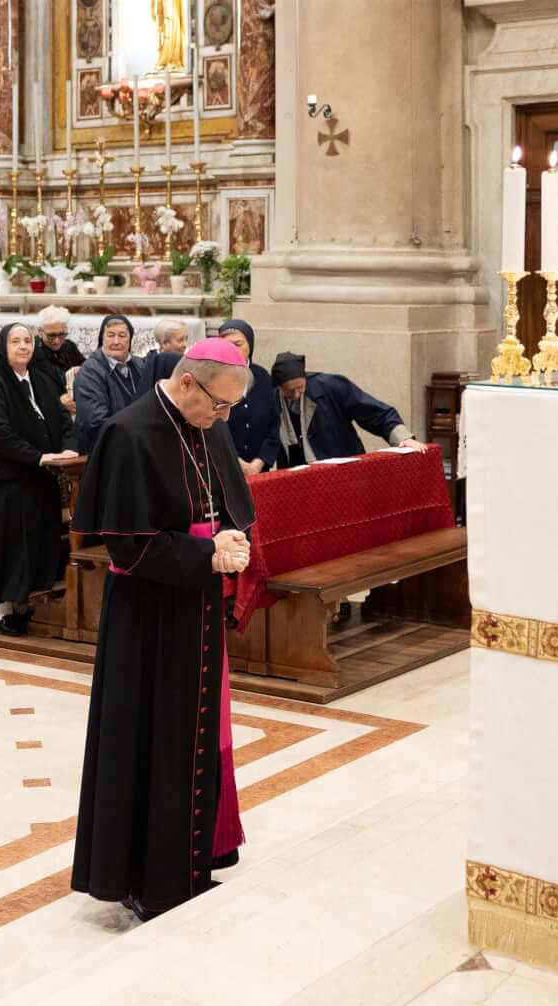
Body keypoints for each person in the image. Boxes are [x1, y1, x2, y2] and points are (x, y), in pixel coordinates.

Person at [70, 336, 256, 922]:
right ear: (187, 383)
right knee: (152, 736)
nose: (222, 418)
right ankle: (146, 878)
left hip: (197, 604)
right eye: (219, 405)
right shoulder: (128, 433)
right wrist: (207, 553)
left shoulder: (208, 424)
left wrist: (230, 538)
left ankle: (193, 862)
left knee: (196, 731)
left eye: (231, 409)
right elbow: (127, 545)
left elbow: (221, 507)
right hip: (147, 616)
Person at [0, 322, 76, 635]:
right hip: (7, 479)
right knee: (9, 545)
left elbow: (64, 420)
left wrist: (69, 448)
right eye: (15, 341)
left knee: (35, 544)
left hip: (40, 478)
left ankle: (23, 600)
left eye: (27, 341)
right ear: (3, 347)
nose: (22, 346)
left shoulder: (42, 380)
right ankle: (1, 607)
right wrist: (38, 456)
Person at [269, 352, 424, 468]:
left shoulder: (332, 387)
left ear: (305, 378)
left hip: (341, 469)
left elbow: (375, 413)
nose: (296, 395)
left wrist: (403, 438)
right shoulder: (272, 399)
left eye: (300, 387)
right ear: (279, 388)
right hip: (296, 475)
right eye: (289, 391)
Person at [71, 314, 147, 454]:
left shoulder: (140, 366)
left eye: (122, 335)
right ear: (102, 338)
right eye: (110, 335)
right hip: (105, 450)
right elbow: (96, 421)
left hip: (137, 445)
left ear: (130, 339)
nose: (116, 341)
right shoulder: (90, 372)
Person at [217, 319, 278, 476]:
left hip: (259, 470)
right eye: (227, 345)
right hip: (223, 468)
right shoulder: (213, 378)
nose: (233, 350)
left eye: (238, 344)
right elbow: (209, 428)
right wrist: (237, 462)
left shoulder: (263, 377)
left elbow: (273, 425)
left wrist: (258, 463)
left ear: (250, 345)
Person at [32, 305, 87, 386]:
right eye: (51, 335)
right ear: (40, 332)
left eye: (62, 335)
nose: (57, 341)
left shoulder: (69, 345)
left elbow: (86, 366)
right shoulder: (32, 351)